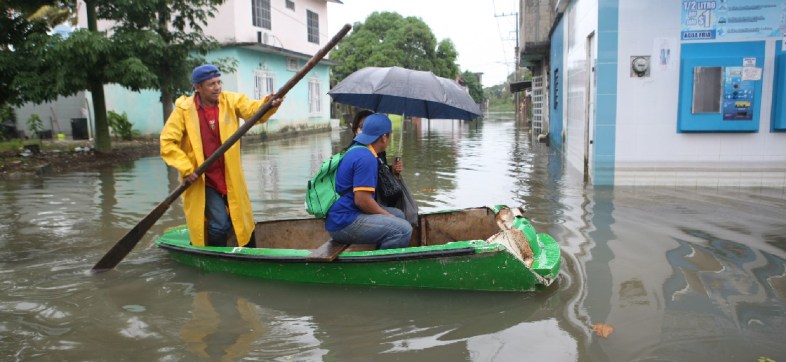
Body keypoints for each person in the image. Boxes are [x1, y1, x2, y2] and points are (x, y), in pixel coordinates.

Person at [160, 64, 282, 248]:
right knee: (219, 225)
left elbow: (253, 111)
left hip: (229, 175)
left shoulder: (230, 101)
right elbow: (167, 142)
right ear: (198, 87)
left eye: (219, 82)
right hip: (203, 179)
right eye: (211, 84)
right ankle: (215, 257)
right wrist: (186, 168)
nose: (217, 87)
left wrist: (268, 104)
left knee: (243, 220)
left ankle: (247, 252)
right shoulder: (183, 110)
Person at [326, 113, 412, 250]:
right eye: (388, 136)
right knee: (403, 229)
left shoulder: (358, 149)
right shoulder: (366, 158)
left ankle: (379, 251)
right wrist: (387, 216)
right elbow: (362, 201)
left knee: (399, 215)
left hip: (342, 216)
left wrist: (391, 216)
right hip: (344, 222)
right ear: (384, 137)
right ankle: (383, 268)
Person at [349, 110, 403, 206]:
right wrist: (387, 215)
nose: (366, 130)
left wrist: (392, 170)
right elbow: (361, 199)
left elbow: (381, 175)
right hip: (359, 207)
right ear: (355, 131)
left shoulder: (379, 152)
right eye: (362, 127)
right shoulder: (359, 154)